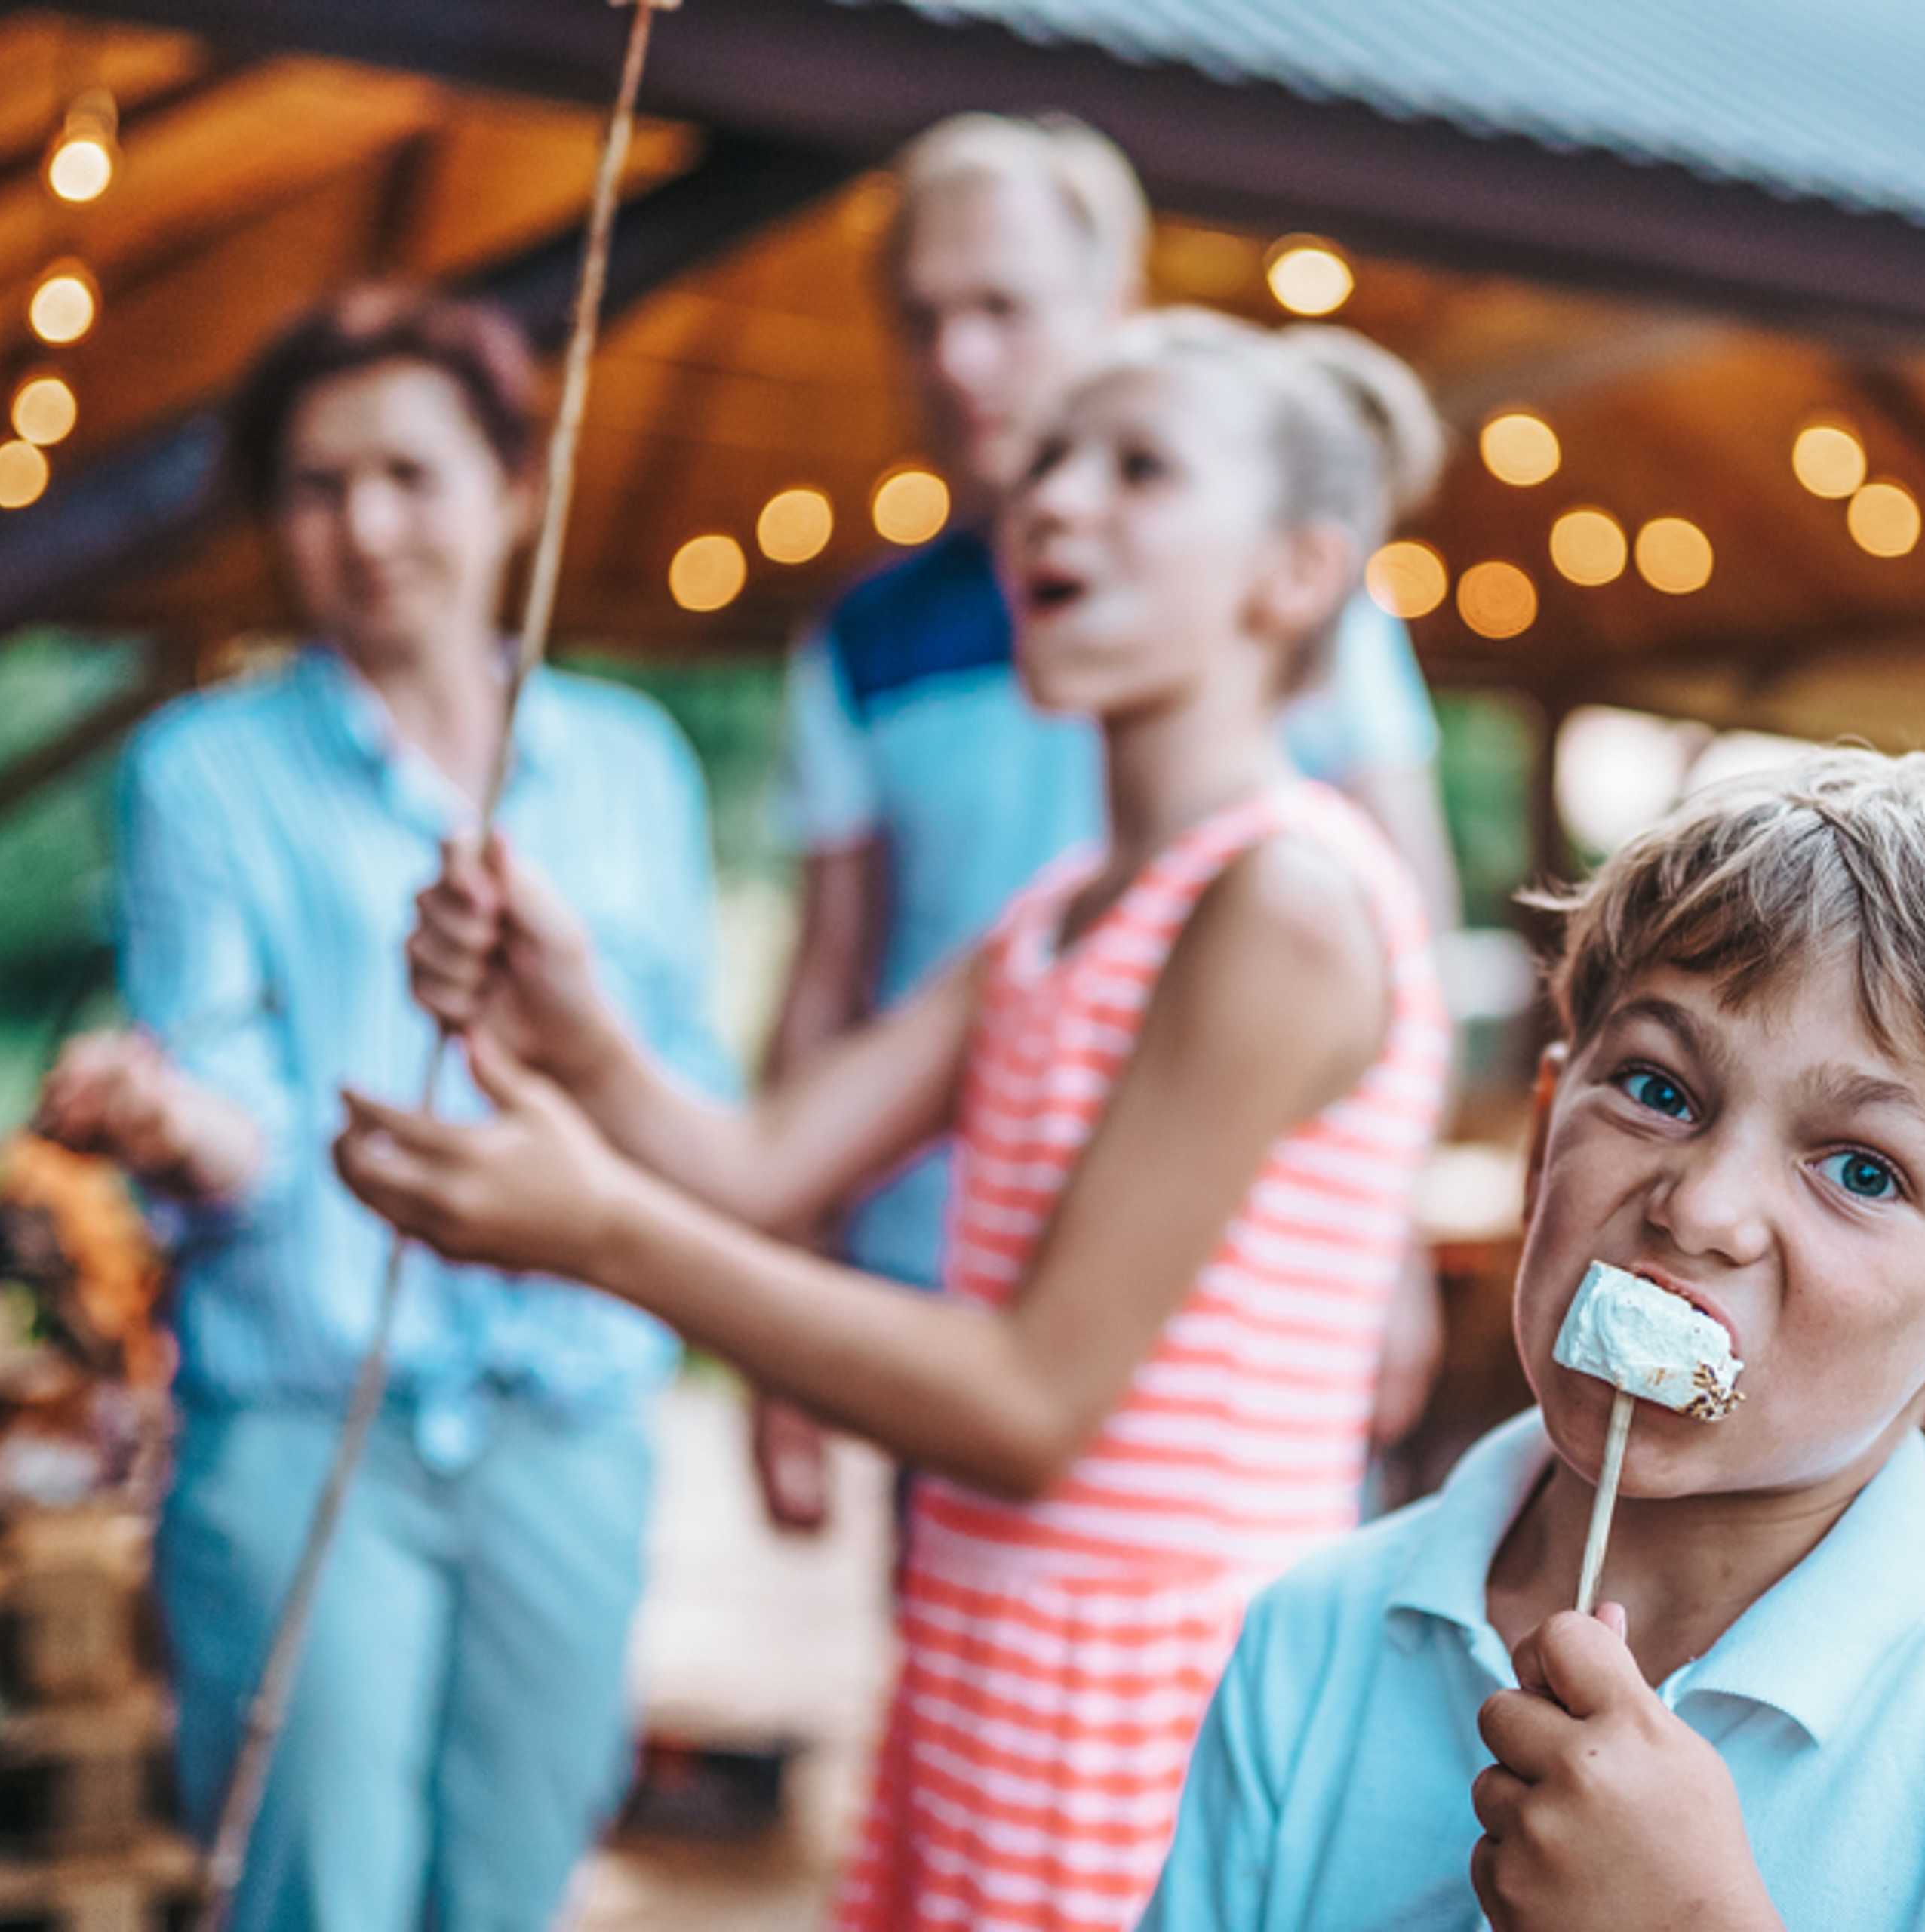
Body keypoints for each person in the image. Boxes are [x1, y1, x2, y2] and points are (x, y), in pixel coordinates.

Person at [331, 308, 1453, 1930]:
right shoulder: (1057, 912)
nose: (1052, 501)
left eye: (1136, 467)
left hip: (1151, 1696)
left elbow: (1026, 1399)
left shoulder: (1282, 899)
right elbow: (756, 1159)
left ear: (1291, 574)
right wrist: (575, 1029)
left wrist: (598, 1237)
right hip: (987, 1646)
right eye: (1053, 461)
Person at [1139, 749, 1925, 1930]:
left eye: (1860, 1170)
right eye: (1658, 1091)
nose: (1702, 1207)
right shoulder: (1312, 1636)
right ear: (1539, 1145)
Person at [35, 288, 732, 1932]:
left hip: (568, 1414)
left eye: (410, 473)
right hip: (306, 1412)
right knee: (311, 1891)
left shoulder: (629, 765)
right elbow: (234, 1091)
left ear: (513, 487)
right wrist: (172, 1121)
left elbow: (689, 1089)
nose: (365, 525)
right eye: (315, 484)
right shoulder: (203, 769)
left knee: (515, 1883)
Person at [755, 112, 1458, 1524]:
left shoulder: (1274, 590)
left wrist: (1383, 1243)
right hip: (926, 1261)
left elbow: (1404, 933)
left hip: (1214, 1273)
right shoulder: (862, 636)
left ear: (1110, 306)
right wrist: (794, 1311)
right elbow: (831, 972)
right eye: (923, 319)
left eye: (1003, 309)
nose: (958, 359)